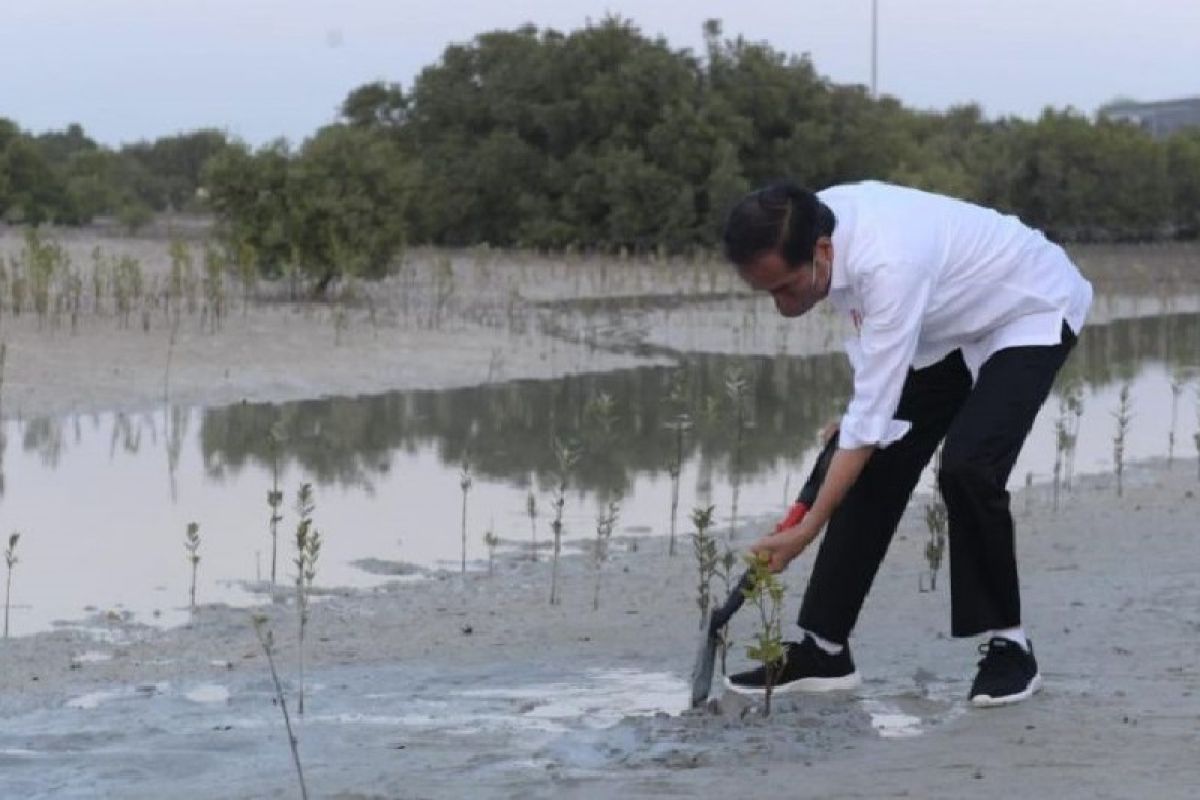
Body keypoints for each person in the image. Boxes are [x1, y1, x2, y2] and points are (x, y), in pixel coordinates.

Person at [720, 179, 1092, 707]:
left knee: (968, 466)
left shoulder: (888, 262)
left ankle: (1010, 646)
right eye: (767, 291)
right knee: (871, 458)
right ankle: (825, 651)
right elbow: (871, 392)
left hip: (1028, 305)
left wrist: (804, 530)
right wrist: (856, 424)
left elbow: (871, 415)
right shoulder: (806, 220)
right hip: (949, 322)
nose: (780, 304)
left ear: (822, 251)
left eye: (786, 287)